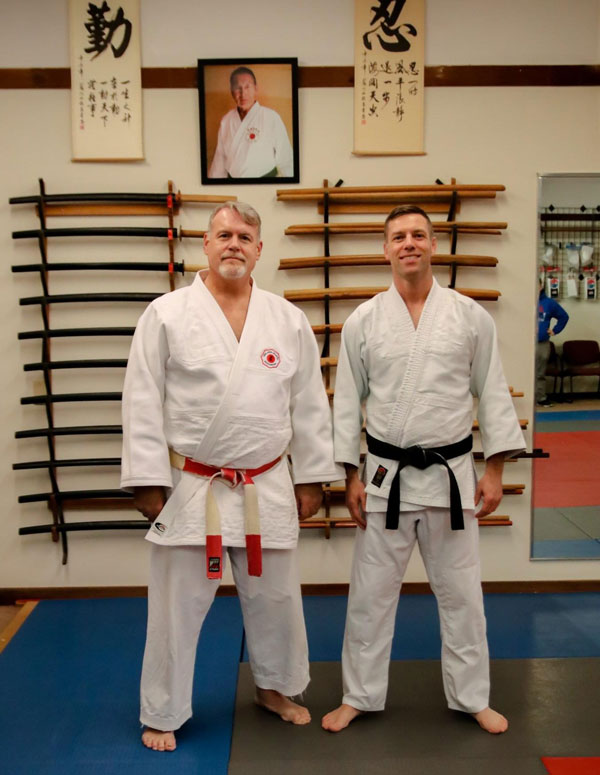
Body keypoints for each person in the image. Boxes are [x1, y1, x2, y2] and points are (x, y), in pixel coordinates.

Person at [121, 201, 340, 751]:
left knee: (277, 599)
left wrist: (312, 476)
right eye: (224, 234)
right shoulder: (167, 313)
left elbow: (309, 404)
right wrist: (148, 478)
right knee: (175, 605)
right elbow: (142, 398)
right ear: (206, 244)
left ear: (259, 249)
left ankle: (275, 688)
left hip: (267, 481)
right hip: (193, 482)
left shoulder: (286, 319)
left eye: (244, 236)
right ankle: (164, 709)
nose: (234, 244)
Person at [321, 205, 525, 736]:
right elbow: (347, 404)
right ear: (385, 249)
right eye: (398, 236)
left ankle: (472, 697)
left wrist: (495, 470)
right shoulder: (364, 321)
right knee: (369, 598)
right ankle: (359, 696)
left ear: (433, 245)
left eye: (417, 234)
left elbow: (493, 392)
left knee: (463, 597)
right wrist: (350, 477)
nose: (408, 243)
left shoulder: (470, 317)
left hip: (451, 477)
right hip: (384, 478)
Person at [208, 66, 294, 179]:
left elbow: (286, 159)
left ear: (256, 89)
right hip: (233, 186)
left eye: (247, 87)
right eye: (237, 88)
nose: (243, 93)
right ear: (231, 91)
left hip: (266, 184)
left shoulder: (271, 117)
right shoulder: (226, 120)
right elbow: (219, 161)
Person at [536, 275, 568, 407]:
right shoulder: (523, 301)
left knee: (539, 373)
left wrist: (555, 330)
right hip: (524, 343)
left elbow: (564, 317)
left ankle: (540, 398)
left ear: (541, 286)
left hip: (542, 343)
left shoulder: (549, 303)